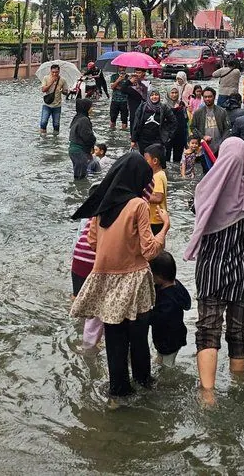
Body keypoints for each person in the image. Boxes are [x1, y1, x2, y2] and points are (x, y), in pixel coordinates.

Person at [70, 153, 169, 402]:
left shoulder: (102, 203)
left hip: (106, 280)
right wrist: (164, 229)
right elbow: (149, 250)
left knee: (114, 342)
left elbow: (93, 241)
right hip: (135, 282)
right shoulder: (138, 205)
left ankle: (118, 393)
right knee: (138, 339)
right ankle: (144, 385)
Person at [183, 138, 244, 405]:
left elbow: (196, 214)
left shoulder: (204, 189)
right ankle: (239, 388)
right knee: (239, 329)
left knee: (208, 327)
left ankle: (208, 394)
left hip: (211, 268)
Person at [147, 251, 191, 366]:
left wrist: (143, 315)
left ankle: (168, 382)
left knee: (168, 366)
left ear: (159, 276)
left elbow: (157, 318)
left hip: (169, 341)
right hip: (174, 336)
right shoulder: (176, 284)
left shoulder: (168, 301)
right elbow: (187, 304)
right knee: (160, 360)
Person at [70, 220, 105, 351]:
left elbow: (78, 238)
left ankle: (78, 324)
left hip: (78, 259)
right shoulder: (115, 216)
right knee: (96, 304)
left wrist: (72, 259)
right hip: (93, 263)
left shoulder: (90, 216)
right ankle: (91, 340)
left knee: (78, 297)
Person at [67, 98, 98, 180]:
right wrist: (93, 143)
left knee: (77, 175)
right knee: (81, 177)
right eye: (90, 107)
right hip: (80, 151)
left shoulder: (76, 118)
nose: (92, 109)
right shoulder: (84, 120)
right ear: (86, 108)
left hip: (73, 150)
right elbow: (87, 137)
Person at [142, 144, 169, 236]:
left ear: (155, 161)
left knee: (154, 245)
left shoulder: (157, 177)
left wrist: (140, 195)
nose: (144, 163)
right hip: (157, 219)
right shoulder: (159, 174)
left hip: (155, 220)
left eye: (146, 160)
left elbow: (158, 198)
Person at [39, 64, 65, 135]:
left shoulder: (62, 80)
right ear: (50, 71)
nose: (54, 73)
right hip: (47, 104)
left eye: (56, 72)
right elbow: (43, 89)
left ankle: (55, 141)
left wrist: (62, 90)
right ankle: (43, 138)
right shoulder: (46, 78)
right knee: (43, 122)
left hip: (57, 105)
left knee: (56, 124)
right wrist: (52, 82)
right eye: (53, 72)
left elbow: (66, 92)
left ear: (59, 71)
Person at [167, 87, 189, 164]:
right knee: (166, 160)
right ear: (168, 93)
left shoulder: (182, 105)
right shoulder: (164, 106)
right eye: (172, 93)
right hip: (167, 136)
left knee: (177, 160)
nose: (174, 95)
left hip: (180, 136)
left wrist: (186, 139)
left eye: (176, 93)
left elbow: (186, 121)